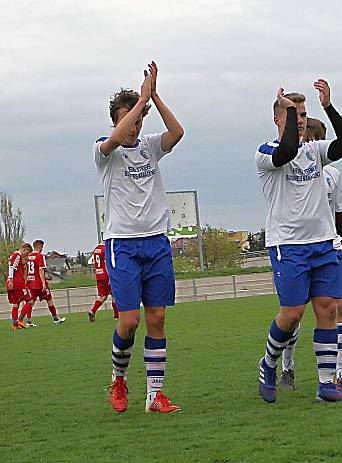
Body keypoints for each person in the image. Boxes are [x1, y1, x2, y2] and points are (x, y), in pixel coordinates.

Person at [255, 80, 342, 403]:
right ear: (278, 119)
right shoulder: (265, 153)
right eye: (293, 114)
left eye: (302, 114)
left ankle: (327, 384)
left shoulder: (315, 151)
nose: (300, 120)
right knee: (292, 314)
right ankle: (268, 363)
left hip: (324, 243)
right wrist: (287, 112)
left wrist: (328, 107)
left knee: (327, 309)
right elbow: (286, 152)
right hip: (288, 245)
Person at [94, 61, 184, 413]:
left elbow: (177, 133)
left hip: (156, 242)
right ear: (116, 120)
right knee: (129, 321)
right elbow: (116, 138)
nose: (134, 126)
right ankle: (119, 378)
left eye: (139, 119)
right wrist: (139, 100)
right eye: (128, 118)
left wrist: (154, 97)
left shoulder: (149, 145)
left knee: (157, 319)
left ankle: (154, 395)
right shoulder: (105, 148)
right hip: (123, 245)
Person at [279, 118, 342, 392]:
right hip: (297, 248)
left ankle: (341, 372)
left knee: (339, 307)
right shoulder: (289, 168)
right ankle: (287, 368)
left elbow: (340, 217)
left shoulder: (334, 175)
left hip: (330, 249)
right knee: (294, 314)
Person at [24, 240, 66, 325]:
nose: (42, 249)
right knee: (49, 299)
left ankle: (28, 320)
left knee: (31, 301)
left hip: (30, 281)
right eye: (42, 247)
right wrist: (43, 282)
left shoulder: (27, 256)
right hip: (38, 282)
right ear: (39, 247)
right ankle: (55, 318)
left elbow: (25, 269)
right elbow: (41, 270)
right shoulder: (40, 256)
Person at [88, 241, 119, 322]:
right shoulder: (106, 249)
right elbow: (106, 264)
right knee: (114, 295)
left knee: (103, 296)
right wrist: (110, 276)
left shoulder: (96, 249)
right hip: (106, 275)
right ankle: (116, 316)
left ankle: (93, 311)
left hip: (98, 275)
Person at [7, 243, 34, 330]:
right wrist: (11, 280)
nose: (26, 256)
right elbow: (12, 267)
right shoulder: (17, 255)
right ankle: (20, 319)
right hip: (17, 283)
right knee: (30, 301)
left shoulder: (15, 256)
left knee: (16, 304)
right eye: (27, 254)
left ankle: (15, 325)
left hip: (12, 283)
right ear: (24, 250)